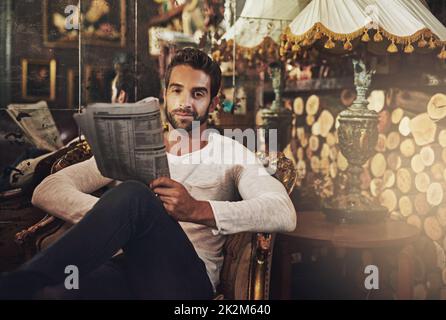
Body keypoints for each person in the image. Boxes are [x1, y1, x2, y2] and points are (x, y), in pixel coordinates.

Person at [0, 48, 296, 300]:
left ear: (214, 102)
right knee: (59, 292)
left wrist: (197, 209)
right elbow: (48, 189)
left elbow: (283, 211)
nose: (185, 103)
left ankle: (15, 285)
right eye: (177, 90)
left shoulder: (231, 152)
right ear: (165, 94)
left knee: (135, 194)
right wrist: (122, 221)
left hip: (186, 282)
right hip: (128, 268)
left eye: (198, 93)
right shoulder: (136, 144)